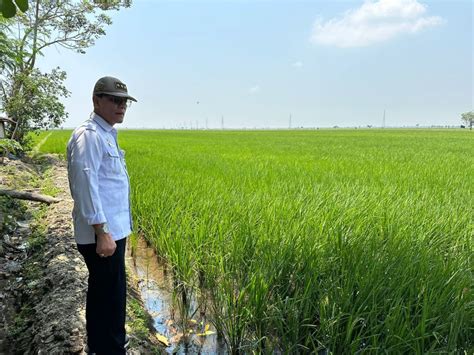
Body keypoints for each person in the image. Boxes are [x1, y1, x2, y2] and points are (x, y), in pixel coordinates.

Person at [67, 76, 137, 354]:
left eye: (124, 102)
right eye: (114, 100)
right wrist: (102, 231)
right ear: (96, 101)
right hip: (103, 233)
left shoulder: (107, 132)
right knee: (109, 295)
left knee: (108, 292)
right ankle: (110, 347)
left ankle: (102, 345)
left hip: (112, 230)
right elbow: (86, 184)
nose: (121, 106)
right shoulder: (89, 135)